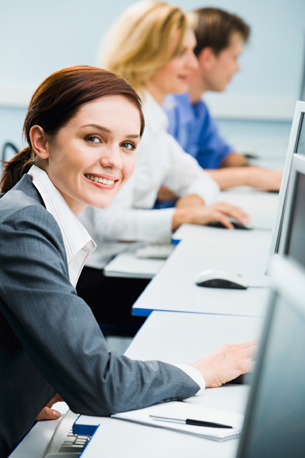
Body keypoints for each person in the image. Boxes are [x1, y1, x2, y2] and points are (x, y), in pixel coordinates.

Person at [0, 65, 257, 458]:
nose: (113, 161)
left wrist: (35, 383)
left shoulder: (40, 212)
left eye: (127, 145)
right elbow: (99, 385)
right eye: (93, 138)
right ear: (42, 141)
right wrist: (201, 372)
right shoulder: (25, 223)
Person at [78, 1, 250, 285]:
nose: (193, 64)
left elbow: (201, 181)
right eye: (181, 53)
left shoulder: (153, 117)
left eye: (192, 52)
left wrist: (192, 207)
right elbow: (110, 225)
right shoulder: (124, 122)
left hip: (124, 259)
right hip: (96, 274)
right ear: (147, 55)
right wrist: (185, 216)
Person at [162, 7, 282, 196]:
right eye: (235, 57)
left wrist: (263, 173)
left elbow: (221, 154)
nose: (238, 68)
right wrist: (249, 176)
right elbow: (162, 185)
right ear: (208, 58)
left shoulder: (198, 109)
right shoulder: (165, 109)